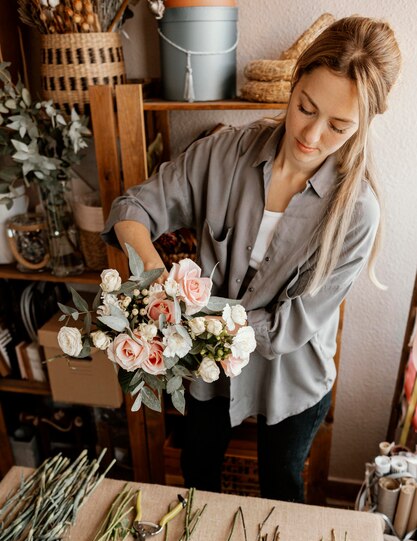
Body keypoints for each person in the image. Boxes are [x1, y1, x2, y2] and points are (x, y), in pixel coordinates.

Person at [101, 16, 401, 502]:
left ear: (363, 126)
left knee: (281, 487)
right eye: (306, 108)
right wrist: (159, 284)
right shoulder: (223, 152)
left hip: (292, 378)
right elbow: (130, 209)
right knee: (198, 474)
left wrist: (197, 321)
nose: (312, 135)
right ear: (295, 80)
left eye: (339, 127)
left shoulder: (358, 214)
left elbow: (287, 329)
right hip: (206, 370)